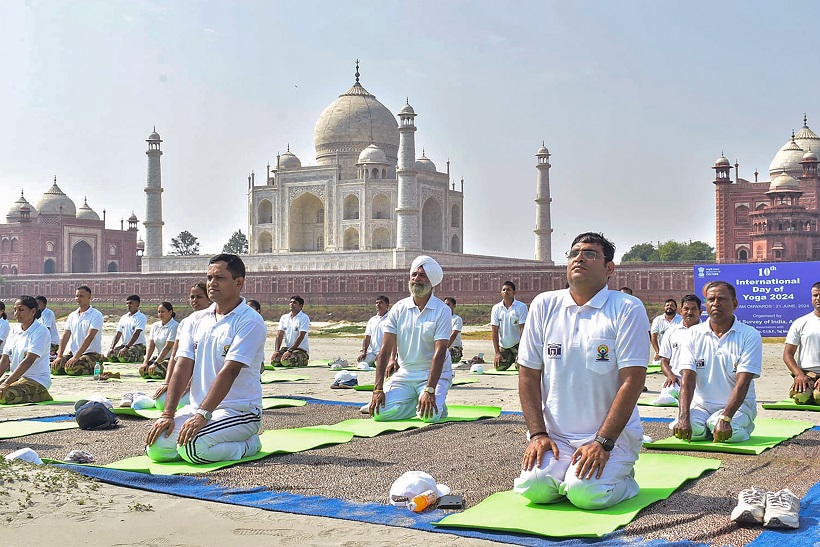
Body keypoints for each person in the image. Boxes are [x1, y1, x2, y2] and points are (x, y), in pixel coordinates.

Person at [514, 232, 650, 510]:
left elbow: (633, 381)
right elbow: (528, 375)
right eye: (574, 253)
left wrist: (603, 442)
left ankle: (625, 481)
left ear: (609, 268)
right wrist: (538, 434)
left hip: (610, 437)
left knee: (586, 495)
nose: (579, 258)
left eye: (590, 254)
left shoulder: (626, 308)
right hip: (557, 437)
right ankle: (569, 475)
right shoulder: (544, 304)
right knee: (534, 487)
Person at [145, 254, 266, 464]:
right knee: (156, 449)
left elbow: (230, 371)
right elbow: (182, 366)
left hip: (238, 410)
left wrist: (203, 415)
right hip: (198, 406)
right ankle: (204, 441)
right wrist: (168, 414)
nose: (212, 283)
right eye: (209, 278)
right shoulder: (196, 320)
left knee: (192, 448)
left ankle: (248, 445)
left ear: (239, 283)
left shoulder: (250, 321)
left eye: (219, 277)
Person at [673, 281, 762, 443]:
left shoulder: (749, 335)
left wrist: (726, 418)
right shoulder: (692, 334)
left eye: (721, 299)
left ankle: (739, 426)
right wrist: (684, 417)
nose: (716, 304)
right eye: (711, 299)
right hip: (702, 406)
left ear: (734, 304)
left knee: (722, 428)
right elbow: (687, 378)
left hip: (739, 408)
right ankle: (707, 428)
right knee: (682, 430)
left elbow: (743, 383)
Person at [369, 255, 453, 423]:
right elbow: (385, 350)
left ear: (431, 281)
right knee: (378, 413)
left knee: (430, 417)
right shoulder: (399, 309)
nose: (417, 279)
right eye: (414, 275)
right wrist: (377, 389)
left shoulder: (442, 310)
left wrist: (429, 390)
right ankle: (418, 401)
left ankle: (433, 402)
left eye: (422, 275)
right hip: (405, 374)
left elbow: (440, 353)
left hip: (433, 375)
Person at [150, 283, 211, 410]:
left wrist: (190, 383)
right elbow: (174, 355)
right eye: (192, 297)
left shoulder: (214, 322)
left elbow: (208, 359)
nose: (195, 300)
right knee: (161, 402)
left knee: (192, 404)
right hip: (185, 375)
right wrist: (168, 383)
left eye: (199, 297)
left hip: (206, 379)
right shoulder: (185, 323)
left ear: (208, 298)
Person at [0, 296, 53, 404]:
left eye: (21, 310)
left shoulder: (40, 331)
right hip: (16, 376)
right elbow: (5, 360)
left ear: (33, 311)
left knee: (4, 396)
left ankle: (41, 394)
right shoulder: (14, 330)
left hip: (35, 379)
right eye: (15, 310)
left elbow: (28, 361)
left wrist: (6, 383)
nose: (16, 313)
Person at [654, 295, 702, 405]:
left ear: (700, 311)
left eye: (694, 309)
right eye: (686, 309)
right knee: (665, 398)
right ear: (681, 311)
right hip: (676, 381)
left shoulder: (707, 332)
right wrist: (670, 375)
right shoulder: (671, 332)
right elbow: (664, 361)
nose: (690, 312)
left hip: (700, 382)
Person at [51, 286, 105, 376]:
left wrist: (76, 357)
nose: (78, 298)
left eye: (81, 296)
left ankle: (96, 366)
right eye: (76, 296)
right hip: (74, 353)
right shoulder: (72, 316)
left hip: (90, 354)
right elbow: (65, 336)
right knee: (55, 368)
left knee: (72, 369)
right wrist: (59, 356)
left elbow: (90, 337)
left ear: (89, 298)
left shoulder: (96, 315)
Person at [783, 282, 820, 404]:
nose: (818, 298)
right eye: (815, 295)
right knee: (800, 398)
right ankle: (810, 389)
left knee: (818, 397)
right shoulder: (801, 322)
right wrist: (799, 375)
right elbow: (788, 354)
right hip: (806, 374)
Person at [491, 281, 528, 371]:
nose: (506, 292)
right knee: (499, 367)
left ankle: (516, 358)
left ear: (514, 292)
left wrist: (521, 351)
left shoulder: (521, 307)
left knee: (521, 368)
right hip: (505, 346)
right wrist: (497, 353)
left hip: (518, 345)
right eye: (503, 290)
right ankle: (510, 358)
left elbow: (523, 329)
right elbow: (494, 332)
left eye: (508, 290)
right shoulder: (496, 308)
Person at [139, 302, 179, 380]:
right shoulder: (155, 325)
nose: (160, 314)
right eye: (159, 312)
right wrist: (146, 362)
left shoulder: (175, 326)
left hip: (170, 359)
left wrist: (156, 363)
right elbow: (151, 346)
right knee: (143, 372)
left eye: (163, 312)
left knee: (154, 373)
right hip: (159, 358)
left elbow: (168, 347)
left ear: (170, 312)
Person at [270, 296, 310, 367]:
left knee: (286, 362)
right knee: (274, 361)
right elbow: (279, 335)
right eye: (290, 302)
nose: (291, 304)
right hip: (287, 348)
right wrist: (276, 351)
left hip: (300, 349)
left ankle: (303, 360)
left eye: (294, 303)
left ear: (300, 306)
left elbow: (301, 336)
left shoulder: (304, 318)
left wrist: (290, 351)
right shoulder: (284, 317)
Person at [107, 295, 148, 363]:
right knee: (111, 356)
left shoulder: (141, 317)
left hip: (138, 345)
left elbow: (136, 333)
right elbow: (118, 333)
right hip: (125, 345)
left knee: (123, 357)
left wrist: (126, 347)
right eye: (127, 303)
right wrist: (112, 347)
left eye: (131, 303)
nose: (128, 305)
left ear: (137, 304)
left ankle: (139, 357)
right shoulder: (124, 317)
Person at [357, 296, 391, 367]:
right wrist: (364, 352)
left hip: (386, 352)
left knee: (379, 364)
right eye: (376, 303)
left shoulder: (391, 318)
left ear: (387, 305)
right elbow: (367, 336)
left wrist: (382, 353)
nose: (378, 305)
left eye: (381, 303)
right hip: (373, 352)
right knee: (362, 362)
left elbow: (393, 338)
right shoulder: (372, 320)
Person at [650, 299, 682, 363]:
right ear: (664, 307)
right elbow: (653, 336)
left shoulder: (681, 320)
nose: (669, 307)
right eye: (667, 305)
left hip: (678, 353)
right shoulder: (658, 320)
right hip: (661, 353)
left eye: (672, 305)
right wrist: (657, 352)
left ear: (676, 308)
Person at [444, 297, 463, 364]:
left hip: (454, 348)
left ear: (454, 306)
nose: (446, 306)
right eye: (445, 304)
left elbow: (453, 335)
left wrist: (444, 349)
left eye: (448, 304)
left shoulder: (457, 319)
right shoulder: (440, 319)